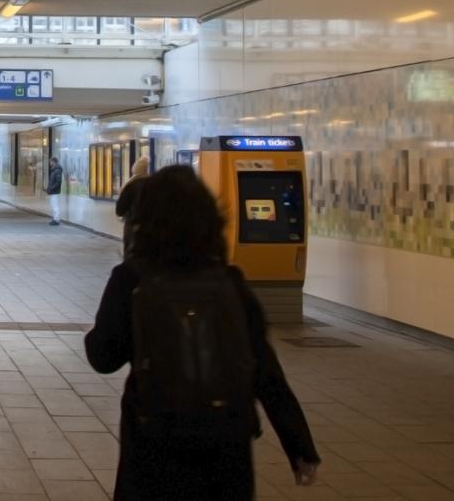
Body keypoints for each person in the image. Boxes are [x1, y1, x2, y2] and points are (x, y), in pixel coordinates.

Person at [85, 167, 320, 500]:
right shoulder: (230, 283)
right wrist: (300, 447)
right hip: (226, 440)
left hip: (154, 440)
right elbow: (266, 372)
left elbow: (103, 357)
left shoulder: (131, 279)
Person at [114, 156, 152, 258]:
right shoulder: (155, 185)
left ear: (134, 169)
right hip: (152, 228)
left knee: (131, 256)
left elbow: (120, 210)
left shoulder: (130, 185)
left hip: (133, 227)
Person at [46, 156, 64, 226]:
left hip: (55, 192)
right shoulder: (54, 170)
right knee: (53, 205)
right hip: (53, 191)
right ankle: (54, 218)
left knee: (55, 206)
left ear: (54, 162)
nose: (50, 163)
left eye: (50, 162)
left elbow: (58, 182)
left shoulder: (57, 170)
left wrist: (51, 188)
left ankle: (56, 219)